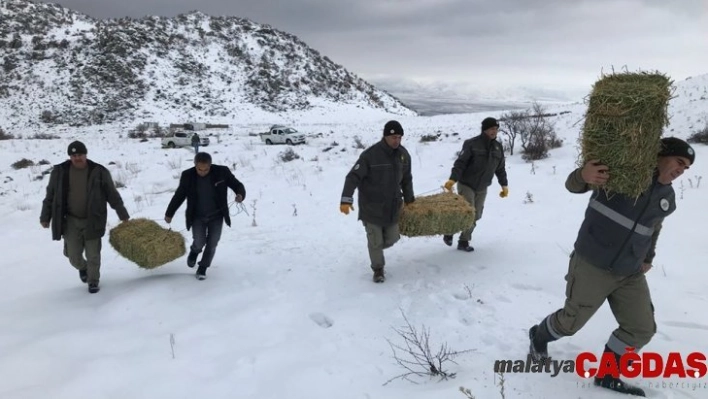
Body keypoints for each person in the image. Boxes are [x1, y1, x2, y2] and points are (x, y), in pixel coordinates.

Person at [527, 137, 696, 397]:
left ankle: (607, 374)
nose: (681, 170)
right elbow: (574, 185)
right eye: (679, 162)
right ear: (661, 155)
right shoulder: (625, 173)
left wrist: (648, 257)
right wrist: (583, 174)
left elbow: (653, 228)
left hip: (629, 272)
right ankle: (539, 336)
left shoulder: (667, 197)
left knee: (641, 328)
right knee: (569, 324)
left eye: (686, 168)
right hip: (592, 262)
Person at [40, 140, 130, 294]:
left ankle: (93, 280)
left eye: (80, 154)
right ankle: (83, 268)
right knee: (73, 256)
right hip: (70, 220)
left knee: (93, 254)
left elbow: (112, 195)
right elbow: (50, 195)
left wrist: (122, 214)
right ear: (70, 157)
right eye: (73, 155)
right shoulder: (59, 171)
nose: (77, 158)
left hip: (93, 218)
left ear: (85, 154)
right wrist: (45, 216)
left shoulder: (99, 171)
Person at [340, 120, 415, 283]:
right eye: (393, 137)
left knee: (393, 238)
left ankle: (375, 247)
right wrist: (346, 199)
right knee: (375, 242)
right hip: (372, 208)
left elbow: (407, 179)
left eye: (399, 137)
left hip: (393, 207)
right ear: (385, 136)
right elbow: (353, 177)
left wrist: (409, 199)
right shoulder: (370, 155)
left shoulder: (403, 155)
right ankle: (378, 269)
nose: (397, 140)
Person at [164, 152, 246, 280]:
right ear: (195, 165)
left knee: (213, 242)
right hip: (197, 216)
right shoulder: (188, 175)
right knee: (200, 240)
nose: (202, 172)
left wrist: (240, 194)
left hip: (217, 215)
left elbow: (237, 185)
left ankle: (203, 267)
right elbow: (179, 195)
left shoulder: (222, 172)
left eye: (206, 169)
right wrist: (169, 213)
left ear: (210, 165)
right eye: (199, 169)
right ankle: (195, 251)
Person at [442, 117, 509, 252]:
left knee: (477, 215)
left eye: (496, 129)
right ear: (484, 129)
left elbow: (500, 168)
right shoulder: (472, 144)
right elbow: (460, 163)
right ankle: (453, 233)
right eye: (491, 129)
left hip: (482, 187)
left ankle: (463, 241)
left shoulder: (498, 147)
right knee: (468, 213)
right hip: (467, 184)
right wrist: (453, 179)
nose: (494, 131)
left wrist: (504, 185)